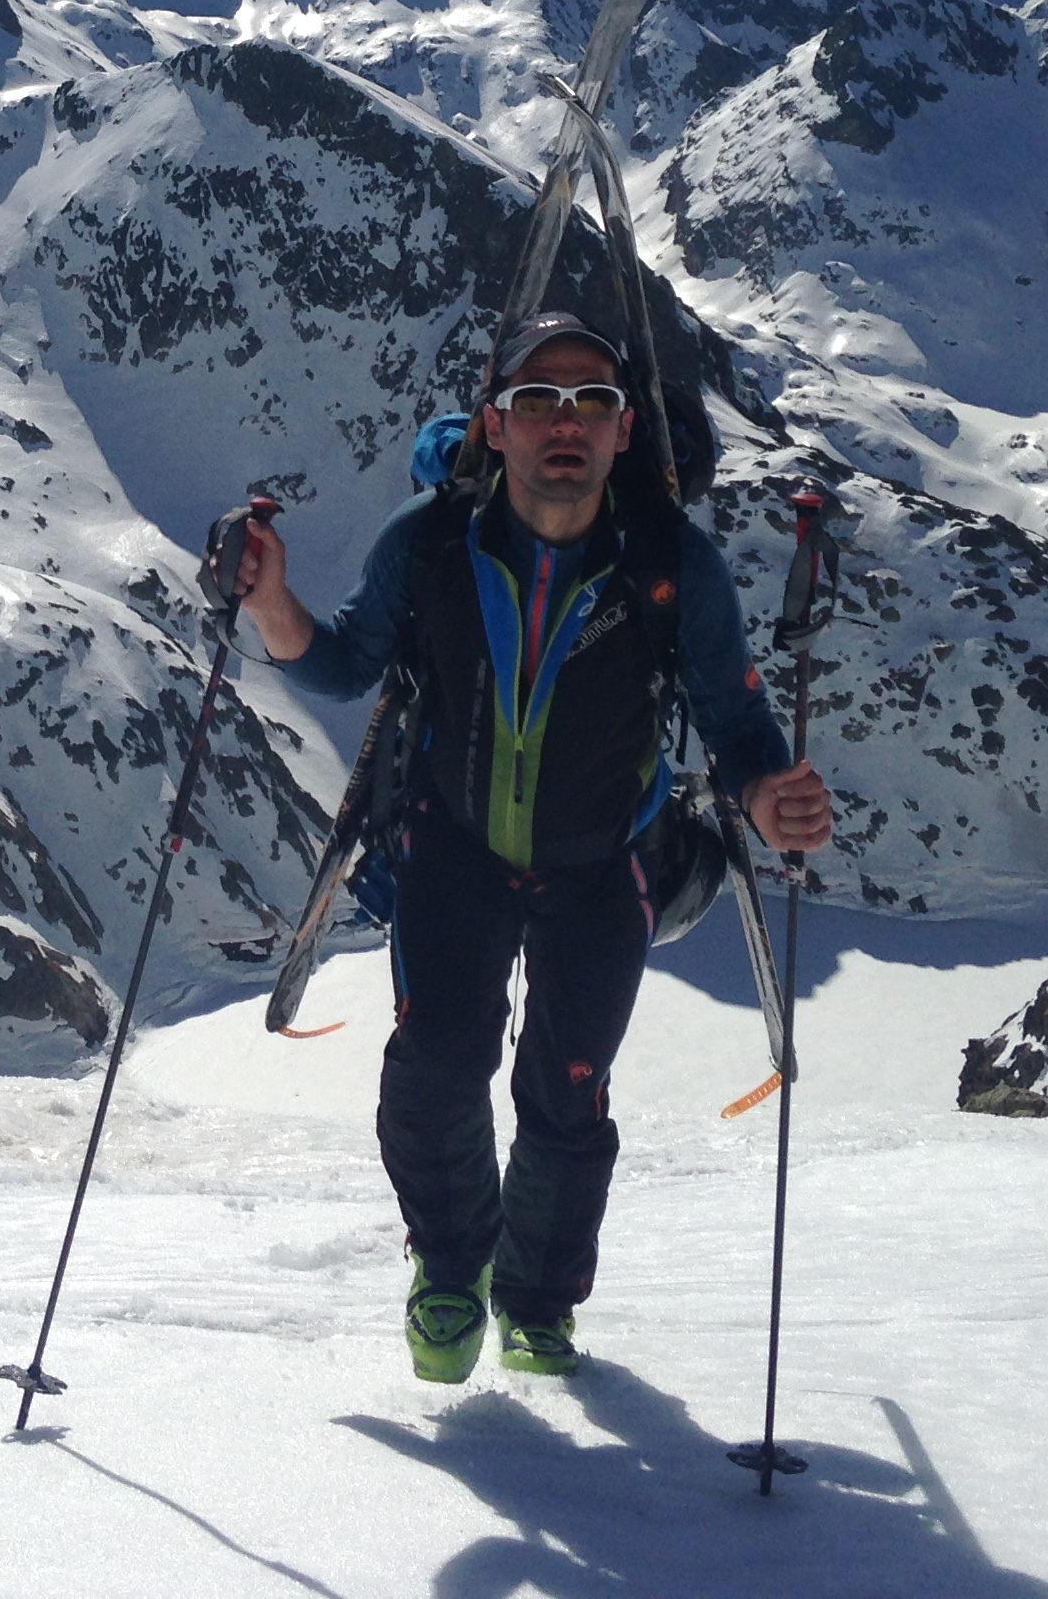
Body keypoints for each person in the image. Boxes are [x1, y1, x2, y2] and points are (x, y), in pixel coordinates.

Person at [229, 312, 834, 1382]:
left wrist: (768, 794)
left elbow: (737, 727)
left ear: (622, 428)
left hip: (608, 865)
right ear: (494, 427)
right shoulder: (427, 542)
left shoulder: (669, 566)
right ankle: (454, 1271)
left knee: (568, 1089)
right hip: (453, 851)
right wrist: (271, 600)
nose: (567, 421)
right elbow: (341, 664)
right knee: (434, 1071)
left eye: (591, 402)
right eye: (539, 401)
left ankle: (539, 1304)